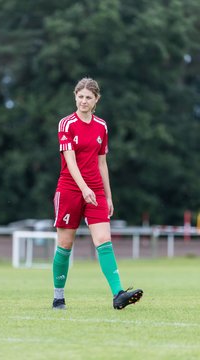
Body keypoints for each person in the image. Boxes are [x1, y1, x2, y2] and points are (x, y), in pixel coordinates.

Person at [52, 77, 143, 310]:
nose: (83, 101)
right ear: (75, 96)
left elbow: (102, 163)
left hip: (96, 191)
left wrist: (108, 196)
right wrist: (84, 189)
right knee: (65, 245)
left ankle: (118, 294)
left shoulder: (101, 126)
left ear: (96, 100)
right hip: (71, 189)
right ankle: (58, 297)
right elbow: (70, 161)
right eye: (80, 96)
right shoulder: (66, 124)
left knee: (104, 240)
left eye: (88, 98)